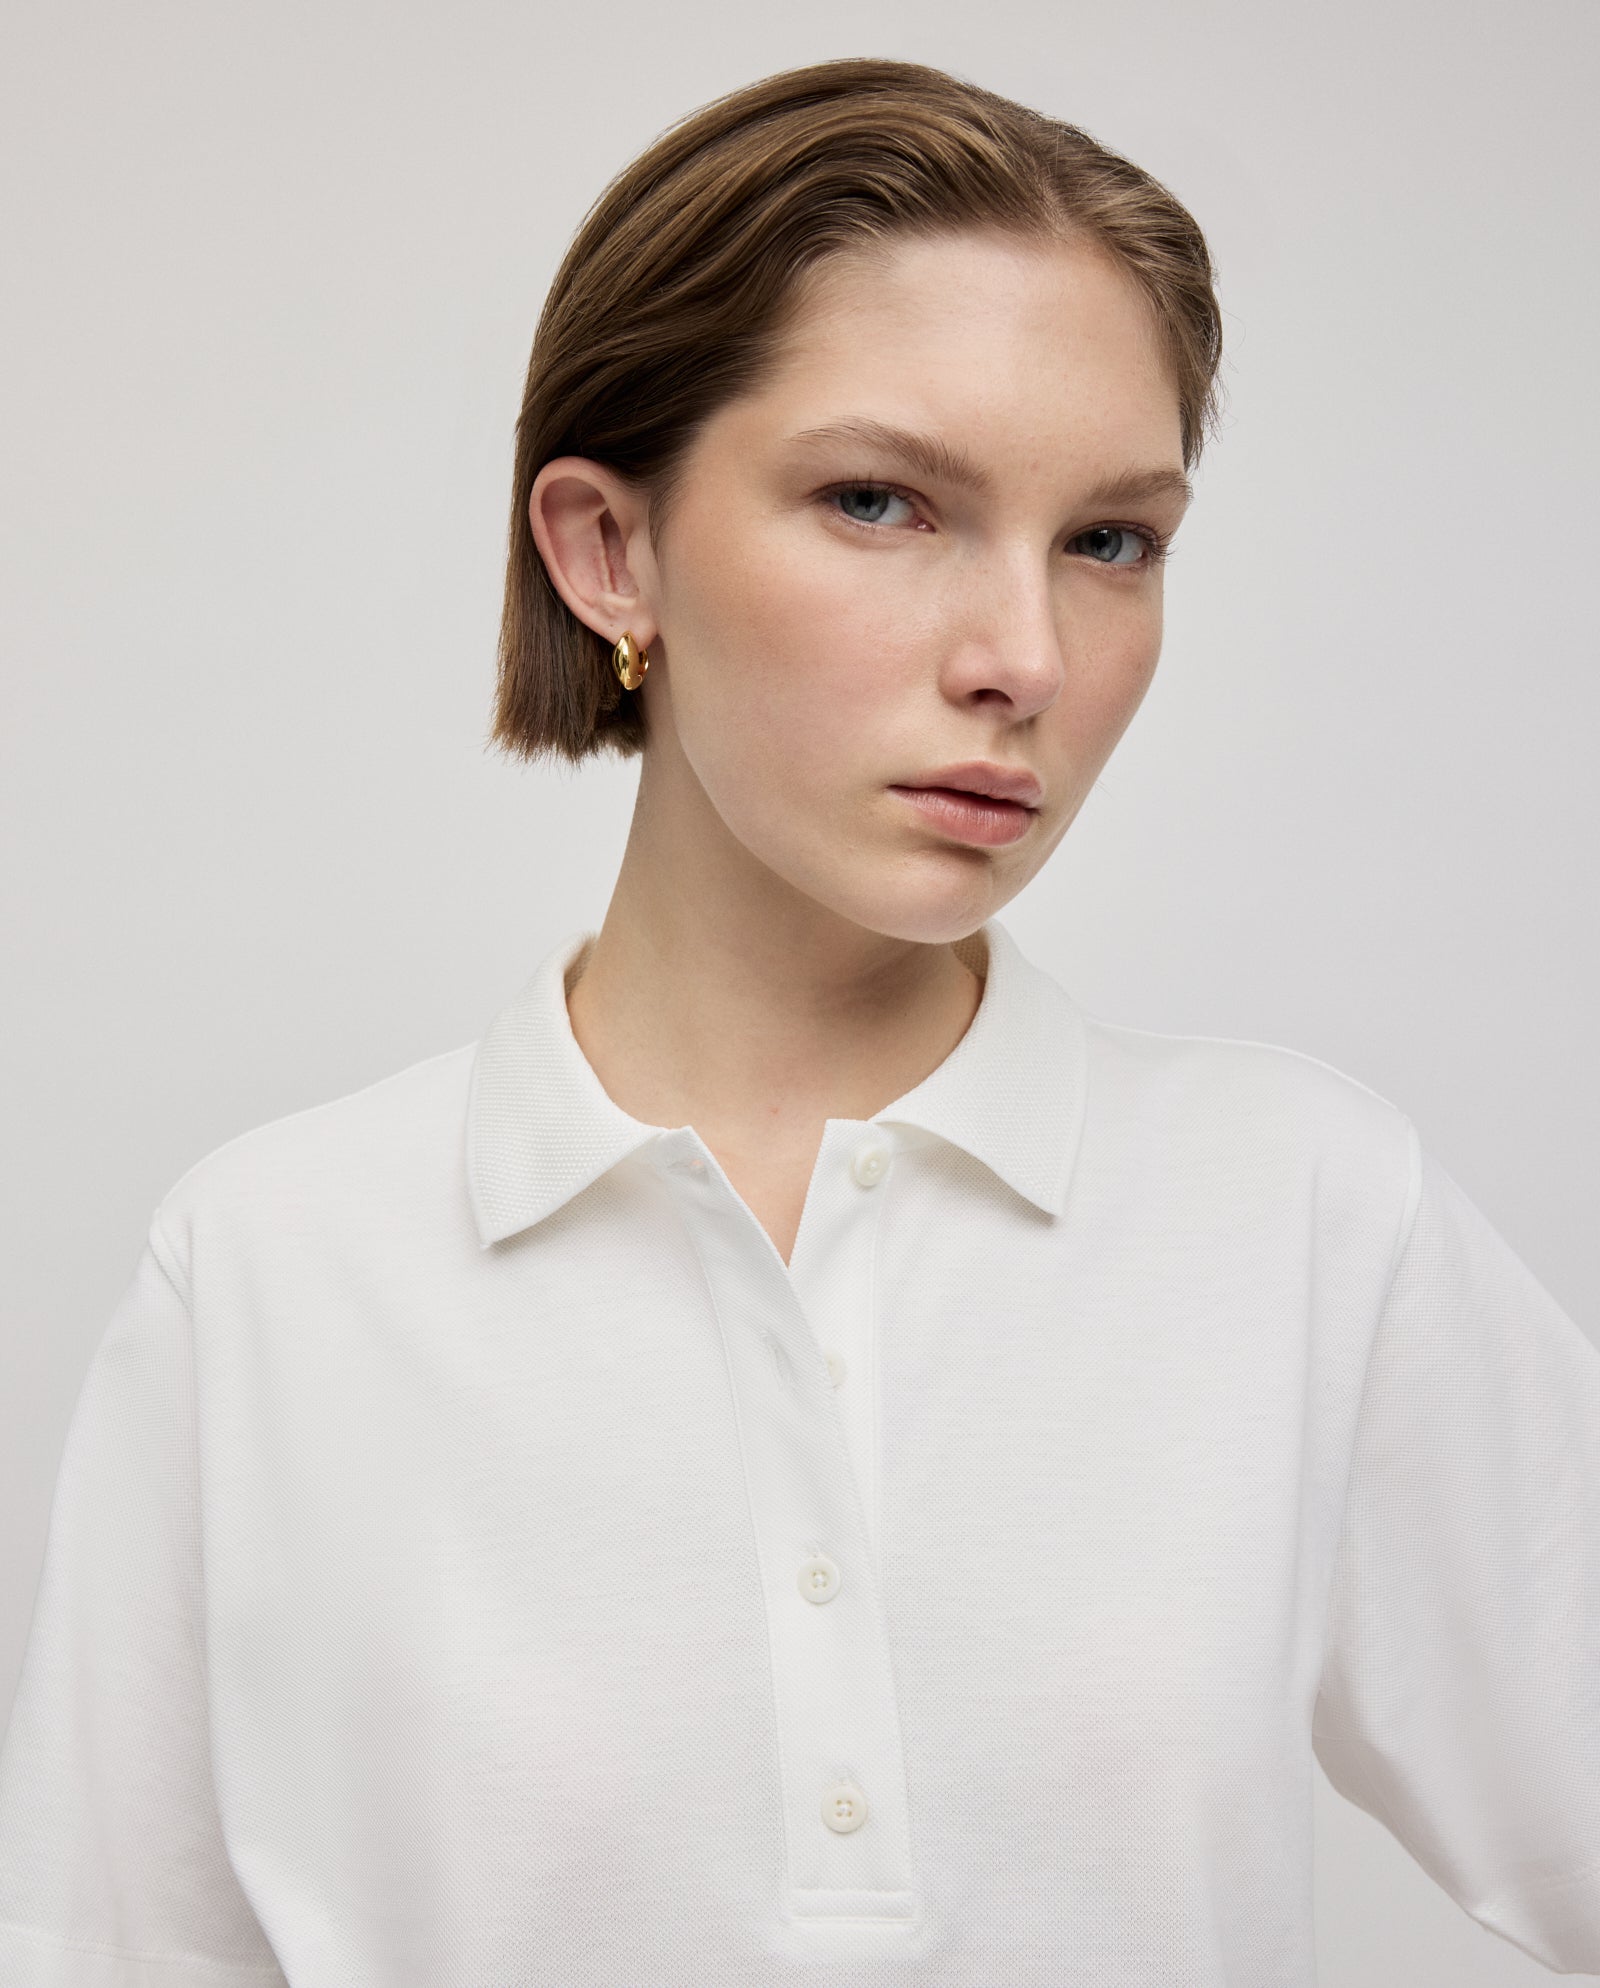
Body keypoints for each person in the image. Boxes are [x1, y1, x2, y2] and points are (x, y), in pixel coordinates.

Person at [0, 53, 1594, 1988]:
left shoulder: (1308, 1219)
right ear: (609, 550)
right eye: (879, 501)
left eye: (1114, 539)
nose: (1022, 657)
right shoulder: (266, 1278)